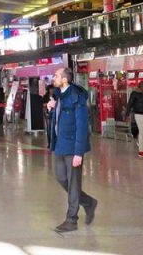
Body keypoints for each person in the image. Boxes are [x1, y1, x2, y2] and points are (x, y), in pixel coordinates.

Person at [45, 68, 97, 233]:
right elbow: (56, 120)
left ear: (65, 79)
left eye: (56, 76)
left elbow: (82, 125)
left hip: (73, 147)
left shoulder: (76, 97)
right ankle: (88, 202)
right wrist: (51, 109)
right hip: (60, 145)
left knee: (73, 183)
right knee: (61, 178)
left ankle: (71, 220)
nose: (53, 78)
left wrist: (78, 152)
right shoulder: (59, 95)